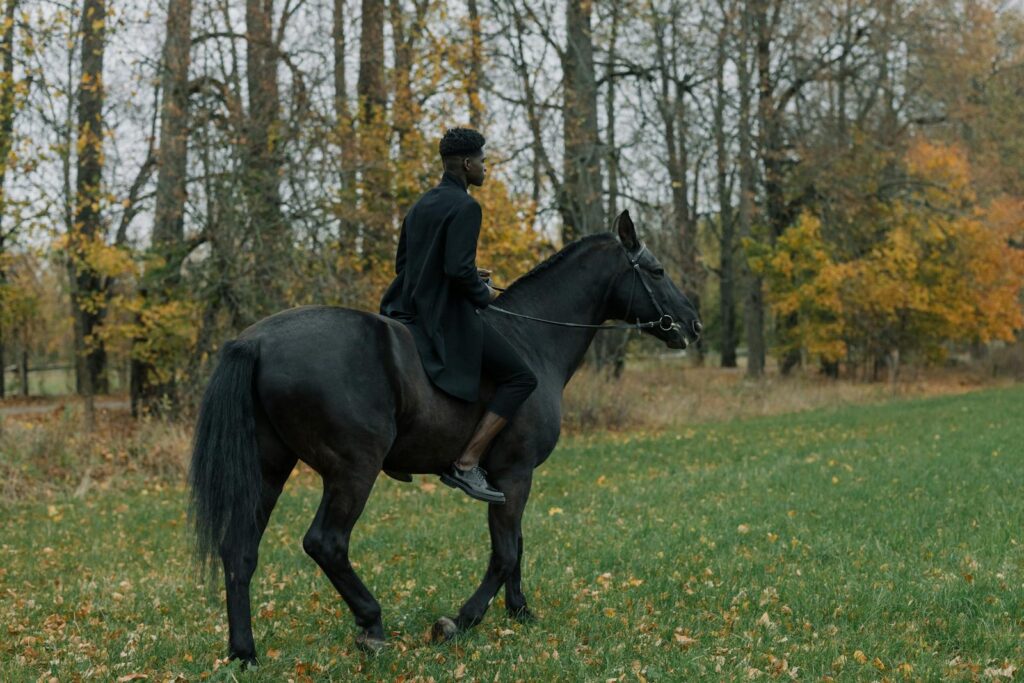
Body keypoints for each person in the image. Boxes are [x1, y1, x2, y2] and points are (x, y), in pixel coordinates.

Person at [379, 127, 538, 504]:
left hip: (407, 309)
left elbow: (406, 264)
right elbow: (456, 271)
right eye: (482, 162)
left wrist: (466, 269)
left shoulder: (420, 205)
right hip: (445, 316)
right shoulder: (467, 206)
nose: (485, 169)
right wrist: (482, 292)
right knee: (521, 377)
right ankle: (467, 462)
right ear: (467, 164)